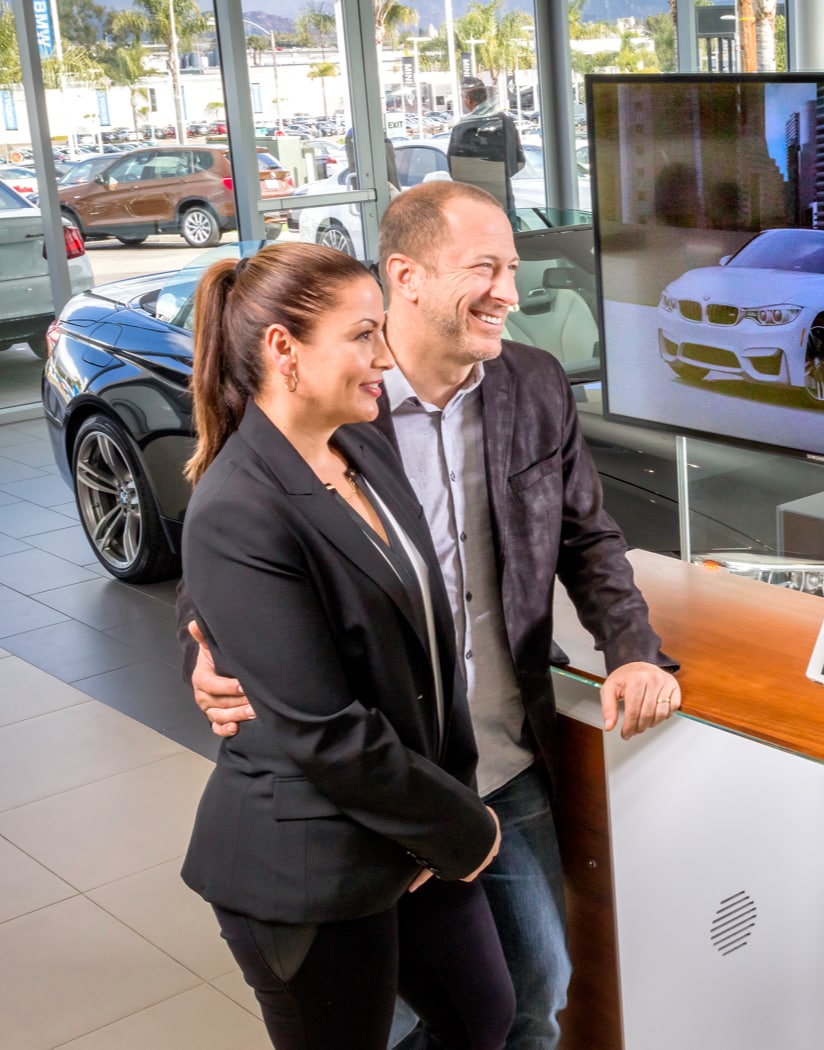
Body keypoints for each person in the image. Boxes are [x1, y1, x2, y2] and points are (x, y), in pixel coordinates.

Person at [185, 181, 680, 1050]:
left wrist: (635, 650)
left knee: (526, 993)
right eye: (484, 267)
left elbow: (590, 540)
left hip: (496, 751)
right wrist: (207, 650)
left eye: (514, 267)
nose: (510, 293)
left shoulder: (533, 386)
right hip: (377, 784)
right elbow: (239, 557)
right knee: (408, 1013)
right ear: (406, 277)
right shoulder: (335, 417)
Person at [177, 241, 514, 1050]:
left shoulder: (359, 446)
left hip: (412, 820)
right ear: (283, 350)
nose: (384, 357)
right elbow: (326, 731)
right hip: (310, 863)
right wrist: (471, 830)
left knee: (483, 1016)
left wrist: (441, 820)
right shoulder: (237, 506)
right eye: (363, 336)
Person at [447, 83, 525, 223]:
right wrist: (498, 176)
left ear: (469, 100)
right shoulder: (503, 121)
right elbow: (518, 162)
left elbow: (455, 169)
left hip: (471, 201)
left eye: (464, 98)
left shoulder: (461, 127)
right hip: (502, 199)